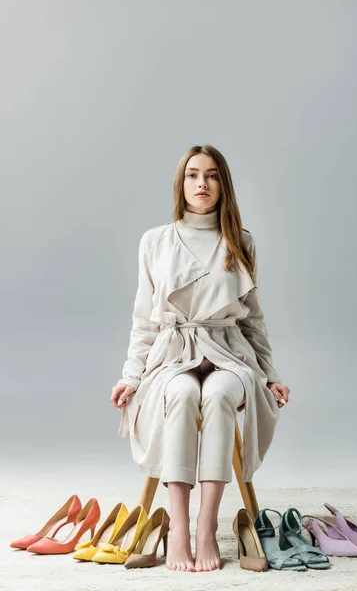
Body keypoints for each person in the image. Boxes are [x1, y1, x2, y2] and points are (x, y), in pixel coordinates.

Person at [110, 144, 290, 572]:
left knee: (221, 395)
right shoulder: (156, 241)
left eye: (211, 175)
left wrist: (269, 375)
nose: (201, 183)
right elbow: (143, 321)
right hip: (173, 355)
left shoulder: (241, 241)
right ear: (182, 183)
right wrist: (131, 376)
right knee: (184, 395)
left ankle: (206, 527)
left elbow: (253, 322)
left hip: (229, 352)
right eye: (193, 174)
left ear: (222, 184)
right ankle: (178, 526)